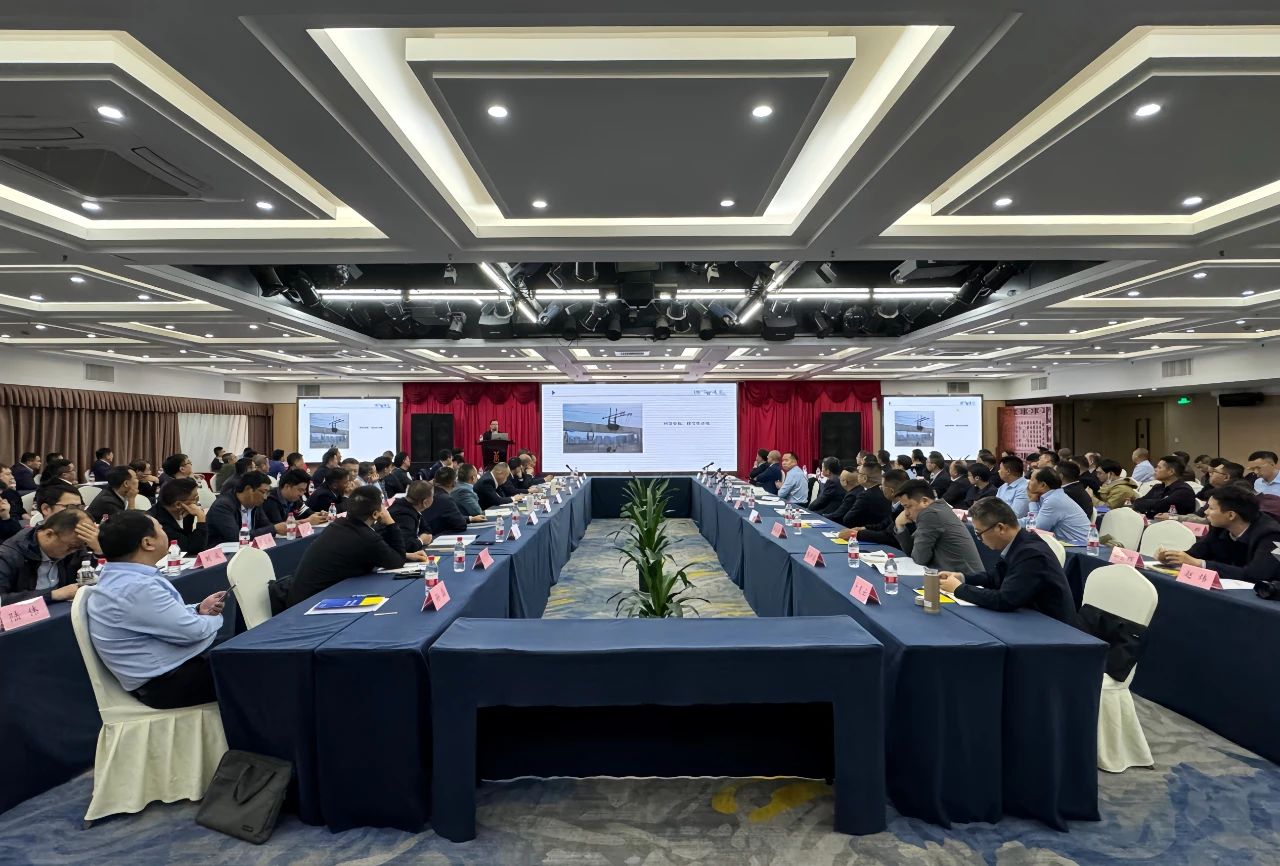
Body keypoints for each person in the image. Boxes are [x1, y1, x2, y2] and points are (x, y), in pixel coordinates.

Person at [86, 511, 227, 709]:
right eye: (160, 528)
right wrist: (215, 618)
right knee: (258, 666)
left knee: (245, 652)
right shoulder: (135, 587)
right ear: (148, 543)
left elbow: (166, 617)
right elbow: (194, 632)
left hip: (174, 668)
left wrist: (198, 609)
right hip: (166, 684)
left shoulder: (122, 577)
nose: (164, 532)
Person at [938, 498, 1078, 625]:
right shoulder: (1019, 541)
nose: (980, 539)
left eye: (979, 534)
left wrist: (959, 589)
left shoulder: (1031, 553)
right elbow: (997, 576)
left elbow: (1005, 600)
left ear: (1000, 528)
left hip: (1051, 627)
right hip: (1029, 616)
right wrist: (962, 578)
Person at [285, 486, 420, 607]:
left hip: (300, 595)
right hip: (310, 603)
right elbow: (397, 561)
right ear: (375, 514)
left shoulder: (339, 525)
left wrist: (406, 555)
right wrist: (390, 522)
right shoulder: (365, 537)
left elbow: (380, 552)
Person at [1156, 486, 1280, 583]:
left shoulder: (1271, 534)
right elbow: (1196, 553)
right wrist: (1172, 558)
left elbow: (1256, 574)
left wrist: (1200, 564)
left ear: (1231, 515)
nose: (1205, 512)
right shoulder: (1218, 526)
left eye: (1211, 508)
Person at [0, 509, 96, 606]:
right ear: (49, 534)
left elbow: (90, 572)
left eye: (80, 546)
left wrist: (98, 550)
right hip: (28, 613)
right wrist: (53, 595)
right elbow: (1, 599)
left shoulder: (72, 542)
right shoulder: (9, 555)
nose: (74, 551)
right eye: (72, 546)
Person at [891, 480, 985, 573]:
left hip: (965, 579)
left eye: (908, 506)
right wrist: (899, 526)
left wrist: (899, 525)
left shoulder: (931, 514)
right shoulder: (938, 508)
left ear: (924, 501)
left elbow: (919, 559)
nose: (906, 513)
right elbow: (913, 552)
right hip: (955, 574)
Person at [205, 471, 285, 546]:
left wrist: (277, 528)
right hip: (223, 552)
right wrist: (274, 529)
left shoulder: (255, 504)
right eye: (263, 492)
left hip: (247, 549)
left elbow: (266, 526)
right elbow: (236, 537)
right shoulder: (223, 506)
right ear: (248, 489)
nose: (265, 497)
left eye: (267, 493)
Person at [836, 468, 908, 545]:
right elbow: (885, 524)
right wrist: (863, 528)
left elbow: (888, 536)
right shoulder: (894, 505)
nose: (880, 488)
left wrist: (857, 534)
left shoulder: (906, 509)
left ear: (891, 491)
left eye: (882, 486)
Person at [1025, 468, 1092, 545]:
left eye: (1032, 480)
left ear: (1043, 485)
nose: (1028, 482)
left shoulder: (1053, 500)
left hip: (1079, 547)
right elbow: (1035, 520)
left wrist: (1033, 502)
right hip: (1070, 544)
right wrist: (1014, 523)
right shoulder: (1052, 496)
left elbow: (1036, 529)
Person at [148, 477, 209, 554]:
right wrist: (201, 517)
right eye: (195, 499)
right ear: (178, 504)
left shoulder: (184, 512)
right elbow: (193, 549)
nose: (197, 502)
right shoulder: (159, 523)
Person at [1131, 455, 1198, 518]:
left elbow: (1160, 506)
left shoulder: (1184, 491)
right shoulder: (1158, 487)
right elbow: (1137, 502)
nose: (1155, 469)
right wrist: (1153, 503)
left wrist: (1150, 504)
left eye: (1159, 467)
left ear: (1171, 472)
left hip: (1174, 524)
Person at [832, 465, 893, 530]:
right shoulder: (886, 492)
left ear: (865, 478)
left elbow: (848, 519)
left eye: (859, 473)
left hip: (866, 531)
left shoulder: (865, 495)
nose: (857, 476)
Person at [390, 480, 435, 552]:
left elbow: (427, 530)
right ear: (425, 502)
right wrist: (421, 540)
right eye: (432, 496)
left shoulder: (411, 508)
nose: (433, 498)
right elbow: (405, 545)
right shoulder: (403, 515)